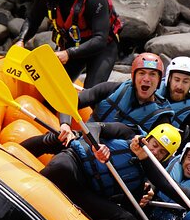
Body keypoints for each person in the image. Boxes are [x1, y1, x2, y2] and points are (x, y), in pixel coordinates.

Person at [39, 123, 181, 220]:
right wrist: (96, 146)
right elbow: (93, 127)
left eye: (162, 152)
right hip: (75, 167)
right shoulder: (126, 134)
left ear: (164, 159)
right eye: (154, 145)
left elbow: (129, 209)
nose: (155, 152)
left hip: (86, 193)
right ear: (147, 139)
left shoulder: (143, 179)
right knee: (61, 167)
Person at [22, 52, 173, 153]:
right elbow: (69, 102)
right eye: (142, 73)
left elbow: (159, 155)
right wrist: (65, 125)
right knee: (54, 138)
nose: (147, 79)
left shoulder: (161, 118)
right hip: (85, 139)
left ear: (160, 81)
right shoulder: (111, 89)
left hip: (117, 158)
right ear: (133, 77)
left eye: (153, 74)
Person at [14, 0, 122, 88]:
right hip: (72, 44)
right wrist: (21, 40)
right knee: (49, 88)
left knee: (90, 94)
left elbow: (100, 39)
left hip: (102, 48)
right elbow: (33, 19)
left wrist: (68, 53)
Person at [156, 56, 190, 151]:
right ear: (169, 78)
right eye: (177, 79)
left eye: (185, 82)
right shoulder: (152, 92)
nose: (179, 86)